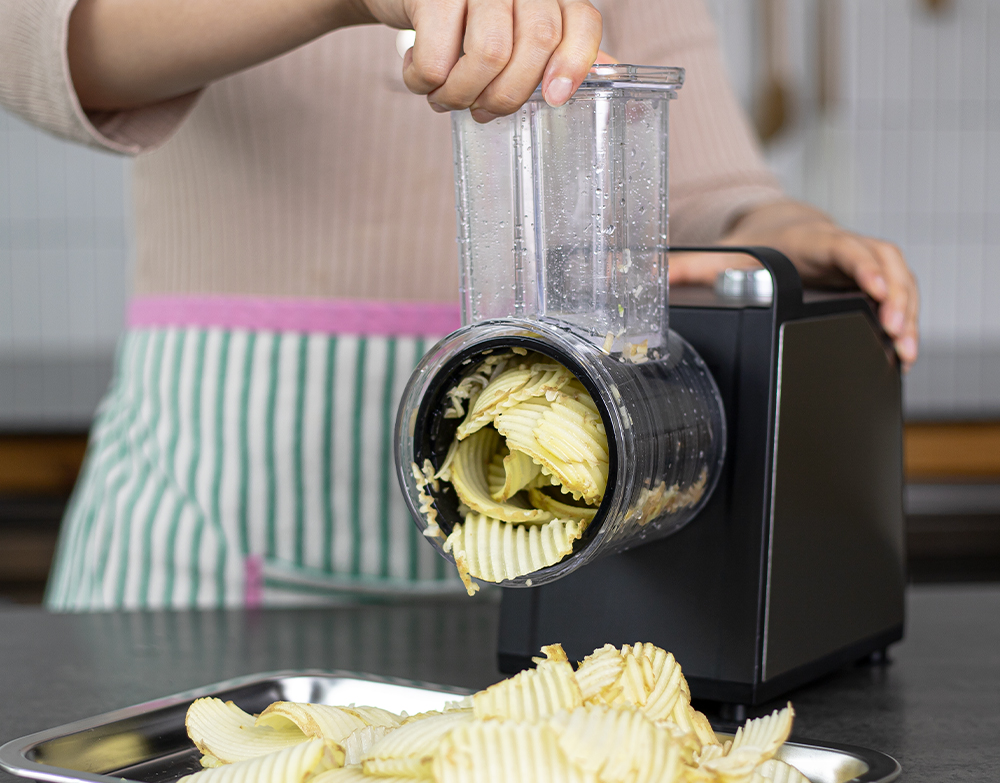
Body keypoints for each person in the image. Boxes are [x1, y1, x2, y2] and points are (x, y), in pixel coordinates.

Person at [0, 0, 919, 610]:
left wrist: (783, 229)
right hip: (196, 549)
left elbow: (706, 188)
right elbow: (46, 49)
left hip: (555, 538)